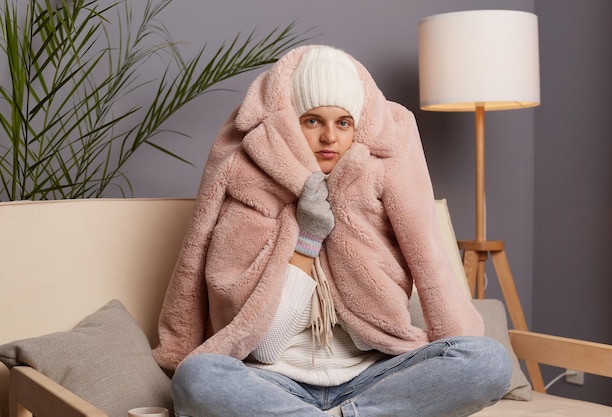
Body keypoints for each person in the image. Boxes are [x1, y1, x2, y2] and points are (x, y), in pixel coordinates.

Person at [153, 45, 512, 417]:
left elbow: (371, 330)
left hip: (372, 377)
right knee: (196, 376)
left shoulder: (378, 193)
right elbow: (266, 347)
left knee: (487, 360)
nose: (329, 137)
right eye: (312, 121)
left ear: (358, 128)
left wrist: (343, 218)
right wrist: (307, 238)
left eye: (343, 123)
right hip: (274, 383)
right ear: (289, 124)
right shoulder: (249, 191)